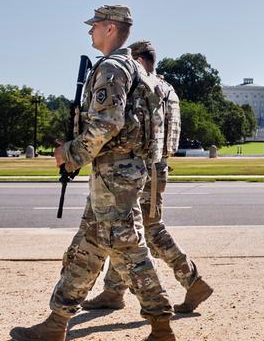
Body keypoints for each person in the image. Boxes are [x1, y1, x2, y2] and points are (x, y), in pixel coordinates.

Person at [10, 6, 177, 341]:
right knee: (87, 247)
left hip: (116, 174)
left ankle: (161, 325)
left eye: (95, 26)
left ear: (111, 28)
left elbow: (107, 123)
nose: (90, 32)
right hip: (118, 171)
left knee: (128, 248)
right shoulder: (132, 67)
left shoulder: (114, 67)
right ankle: (57, 322)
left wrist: (69, 154)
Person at [81, 40, 213, 314]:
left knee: (148, 230)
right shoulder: (167, 88)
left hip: (142, 166)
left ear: (139, 61)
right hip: (155, 165)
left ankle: (192, 281)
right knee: (126, 231)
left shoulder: (146, 86)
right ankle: (113, 291)